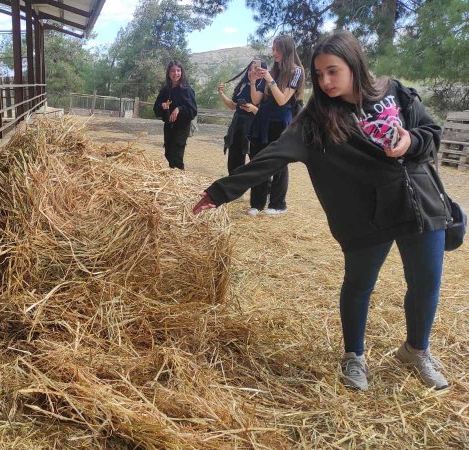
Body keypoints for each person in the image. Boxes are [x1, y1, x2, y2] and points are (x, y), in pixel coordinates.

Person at [193, 31, 451, 391]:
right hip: (368, 214)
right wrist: (221, 191)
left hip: (419, 202)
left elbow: (430, 132)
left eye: (333, 71)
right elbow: (274, 155)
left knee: (426, 283)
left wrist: (411, 140)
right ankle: (354, 355)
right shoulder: (316, 119)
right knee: (359, 284)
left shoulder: (393, 91)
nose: (325, 82)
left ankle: (416, 351)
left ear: (354, 64)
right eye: (318, 74)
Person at [246, 36, 305, 216]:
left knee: (278, 163)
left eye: (277, 49)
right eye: (273, 49)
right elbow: (256, 100)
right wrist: (253, 81)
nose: (274, 53)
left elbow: (282, 100)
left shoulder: (296, 71)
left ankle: (278, 205)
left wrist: (269, 79)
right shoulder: (272, 71)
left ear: (287, 50)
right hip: (263, 119)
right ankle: (257, 203)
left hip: (280, 121)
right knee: (258, 160)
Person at [219, 61, 266, 175]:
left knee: (256, 160)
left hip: (254, 127)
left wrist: (253, 109)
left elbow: (265, 111)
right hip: (238, 124)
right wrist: (221, 93)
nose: (251, 72)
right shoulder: (243, 85)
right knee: (234, 161)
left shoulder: (265, 87)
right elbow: (233, 106)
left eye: (255, 69)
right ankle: (234, 183)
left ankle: (260, 186)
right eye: (250, 69)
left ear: (262, 72)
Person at [153, 60, 198, 170]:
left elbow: (193, 111)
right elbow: (156, 108)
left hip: (182, 127)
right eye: (172, 71)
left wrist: (179, 109)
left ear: (182, 72)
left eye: (178, 70)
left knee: (176, 154)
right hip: (169, 125)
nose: (175, 73)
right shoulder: (165, 90)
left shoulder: (187, 90)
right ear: (169, 73)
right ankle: (172, 176)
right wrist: (163, 105)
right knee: (168, 153)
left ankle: (179, 175)